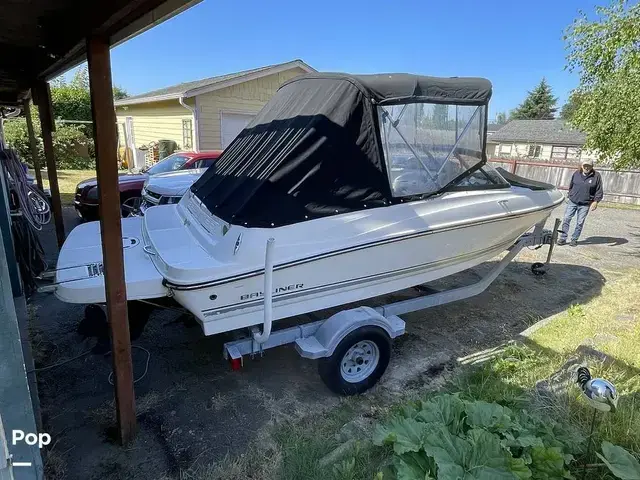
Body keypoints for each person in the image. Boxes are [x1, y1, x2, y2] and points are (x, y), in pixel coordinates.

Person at [557, 159, 603, 246]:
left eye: (589, 166)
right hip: (573, 201)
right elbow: (571, 185)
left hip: (585, 204)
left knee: (580, 222)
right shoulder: (576, 173)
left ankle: (574, 239)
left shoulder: (596, 176)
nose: (586, 167)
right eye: (585, 165)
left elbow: (599, 190)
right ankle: (563, 238)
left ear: (592, 167)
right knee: (566, 219)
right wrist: (570, 194)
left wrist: (595, 201)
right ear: (582, 166)